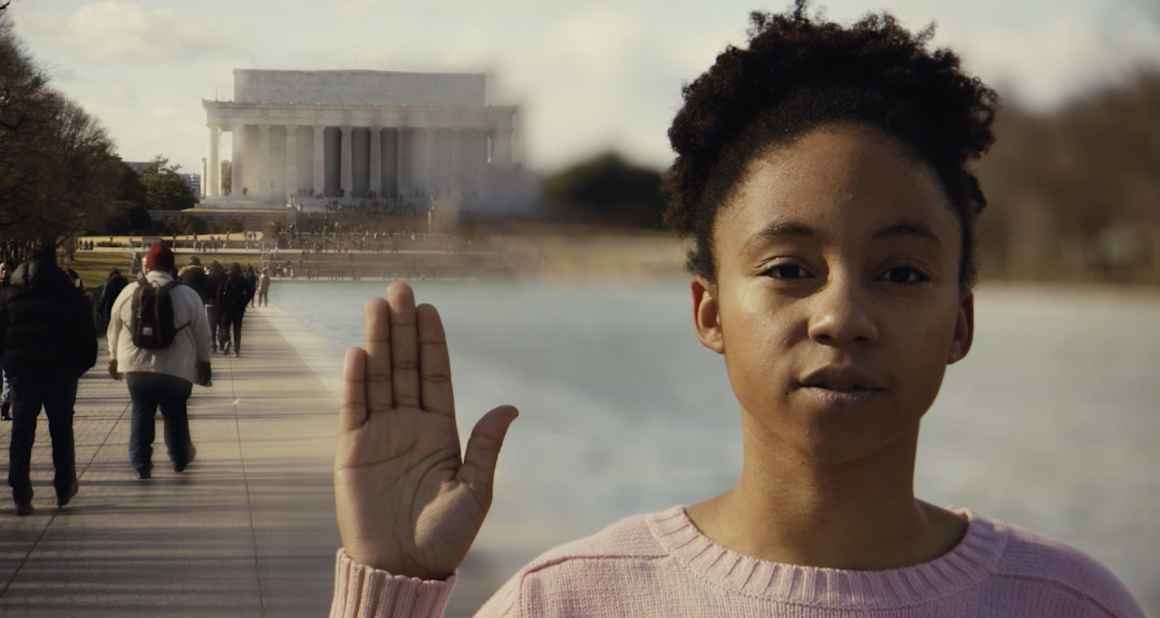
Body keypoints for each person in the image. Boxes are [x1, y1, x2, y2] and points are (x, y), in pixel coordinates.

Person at [327, 4, 1147, 618]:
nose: (843, 315)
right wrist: (391, 581)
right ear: (709, 313)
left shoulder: (1071, 603)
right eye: (790, 267)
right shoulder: (569, 603)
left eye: (900, 272)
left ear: (961, 323)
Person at [0, 246, 96, 515]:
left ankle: (20, 490)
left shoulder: (9, 298)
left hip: (22, 372)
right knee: (61, 430)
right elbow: (88, 342)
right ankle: (64, 485)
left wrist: (8, 365)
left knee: (21, 432)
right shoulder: (71, 298)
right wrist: (76, 369)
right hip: (60, 373)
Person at [107, 243, 212, 479]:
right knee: (175, 413)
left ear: (149, 265)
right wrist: (204, 362)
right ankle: (179, 458)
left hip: (136, 365)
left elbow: (113, 327)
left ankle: (140, 462)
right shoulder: (187, 295)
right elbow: (202, 332)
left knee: (141, 411)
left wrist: (113, 358)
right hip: (177, 366)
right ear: (171, 265)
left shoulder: (129, 291)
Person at [216, 263, 249, 356]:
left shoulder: (226, 279)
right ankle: (236, 350)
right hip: (238, 308)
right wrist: (244, 303)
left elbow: (219, 293)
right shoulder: (243, 280)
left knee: (225, 326)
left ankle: (227, 341)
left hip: (227, 308)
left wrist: (220, 306)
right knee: (237, 329)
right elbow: (250, 291)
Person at [97, 268, 128, 335]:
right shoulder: (125, 282)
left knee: (111, 331)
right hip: (122, 309)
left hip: (110, 309)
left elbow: (104, 297)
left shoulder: (109, 283)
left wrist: (100, 309)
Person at [205, 261, 226, 353]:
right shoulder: (224, 277)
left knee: (212, 326)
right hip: (222, 305)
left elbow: (206, 291)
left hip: (211, 304)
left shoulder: (208, 278)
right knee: (221, 325)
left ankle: (213, 345)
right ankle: (221, 344)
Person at [0, 261, 10, 422]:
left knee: (8, 378)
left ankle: (5, 406)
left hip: (9, 343)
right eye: (2, 269)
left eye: (7, 269)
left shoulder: (13, 292)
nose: (5, 272)